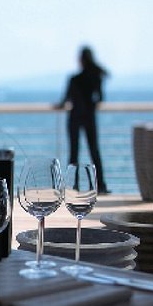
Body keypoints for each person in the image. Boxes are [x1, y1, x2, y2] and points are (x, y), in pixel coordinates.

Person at [55, 45, 110, 194]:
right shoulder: (96, 76)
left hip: (74, 117)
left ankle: (73, 185)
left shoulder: (74, 79)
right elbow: (100, 98)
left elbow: (65, 100)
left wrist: (59, 105)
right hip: (89, 117)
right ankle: (101, 186)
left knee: (74, 152)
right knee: (94, 151)